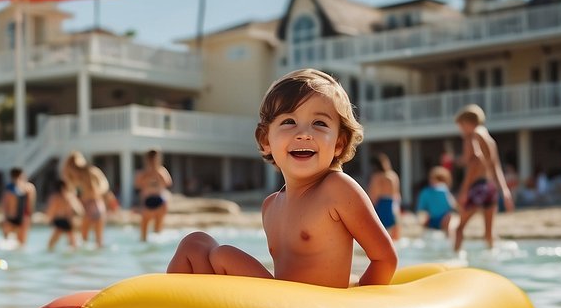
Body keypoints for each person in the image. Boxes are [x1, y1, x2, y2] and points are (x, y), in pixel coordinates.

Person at [167, 68, 396, 289]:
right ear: (266, 140)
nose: (304, 133)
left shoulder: (337, 189)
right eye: (289, 122)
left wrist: (356, 306)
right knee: (194, 243)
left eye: (319, 123)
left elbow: (385, 258)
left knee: (224, 255)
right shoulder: (271, 205)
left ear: (338, 143)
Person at [452, 104, 515, 251]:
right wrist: (504, 191)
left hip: (478, 186)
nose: (461, 130)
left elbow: (475, 161)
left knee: (459, 229)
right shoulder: (489, 138)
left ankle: (454, 261)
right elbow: (495, 165)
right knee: (488, 233)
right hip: (490, 186)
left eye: (461, 126)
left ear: (466, 123)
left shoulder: (472, 136)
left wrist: (464, 191)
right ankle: (492, 261)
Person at [62, 151, 113, 248]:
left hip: (93, 205)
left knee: (89, 240)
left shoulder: (90, 172)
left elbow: (104, 185)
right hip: (90, 206)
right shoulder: (74, 177)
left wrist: (96, 192)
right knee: (88, 240)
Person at [134, 149, 173, 242]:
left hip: (160, 200)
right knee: (144, 234)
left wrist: (157, 174)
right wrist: (147, 175)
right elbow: (137, 185)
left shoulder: (161, 171)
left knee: (158, 232)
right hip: (148, 201)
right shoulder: (143, 173)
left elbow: (168, 183)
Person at [366, 153, 401, 240]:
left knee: (377, 238)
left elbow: (373, 196)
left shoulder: (376, 177)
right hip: (392, 205)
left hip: (380, 205)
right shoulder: (393, 176)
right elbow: (397, 196)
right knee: (395, 239)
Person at [416, 166, 458, 235]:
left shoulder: (443, 191)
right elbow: (453, 206)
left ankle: (448, 238)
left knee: (449, 217)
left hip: (441, 219)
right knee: (449, 217)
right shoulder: (427, 192)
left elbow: (453, 206)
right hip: (432, 219)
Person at [1, 166, 37, 246]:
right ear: (22, 175)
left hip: (10, 217)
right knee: (21, 245)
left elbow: (4, 205)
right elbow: (30, 204)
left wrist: (5, 218)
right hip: (23, 218)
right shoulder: (29, 187)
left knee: (6, 243)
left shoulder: (8, 188)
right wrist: (30, 217)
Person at [45, 179, 84, 251]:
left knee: (51, 244)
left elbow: (51, 211)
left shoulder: (55, 197)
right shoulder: (70, 196)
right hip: (68, 221)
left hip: (59, 220)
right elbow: (79, 210)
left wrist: (49, 220)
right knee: (74, 244)